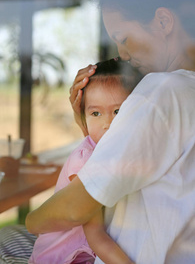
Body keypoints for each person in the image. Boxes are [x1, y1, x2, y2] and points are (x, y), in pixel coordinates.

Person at [1, 0, 195, 263]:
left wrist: (33, 218)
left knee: (12, 234)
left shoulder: (161, 92)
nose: (123, 53)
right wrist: (87, 126)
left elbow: (70, 210)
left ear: (163, 20)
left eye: (123, 38)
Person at [28, 58, 142, 264]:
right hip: (64, 257)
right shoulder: (87, 162)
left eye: (118, 111)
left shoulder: (119, 150)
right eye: (95, 113)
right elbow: (97, 237)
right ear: (84, 117)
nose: (107, 123)